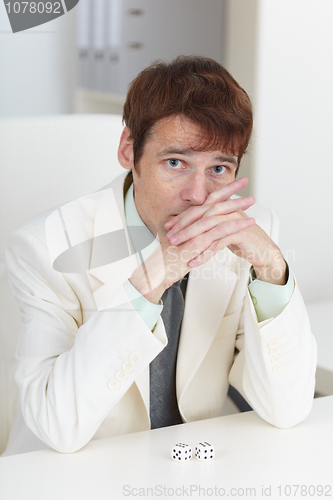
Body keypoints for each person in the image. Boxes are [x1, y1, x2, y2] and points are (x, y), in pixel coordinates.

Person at [3, 56, 316, 456]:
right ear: (128, 150)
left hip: (189, 468)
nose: (198, 196)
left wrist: (273, 268)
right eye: (175, 163)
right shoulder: (44, 246)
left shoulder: (253, 234)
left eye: (219, 169)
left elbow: (286, 409)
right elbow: (57, 424)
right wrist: (152, 279)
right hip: (69, 475)